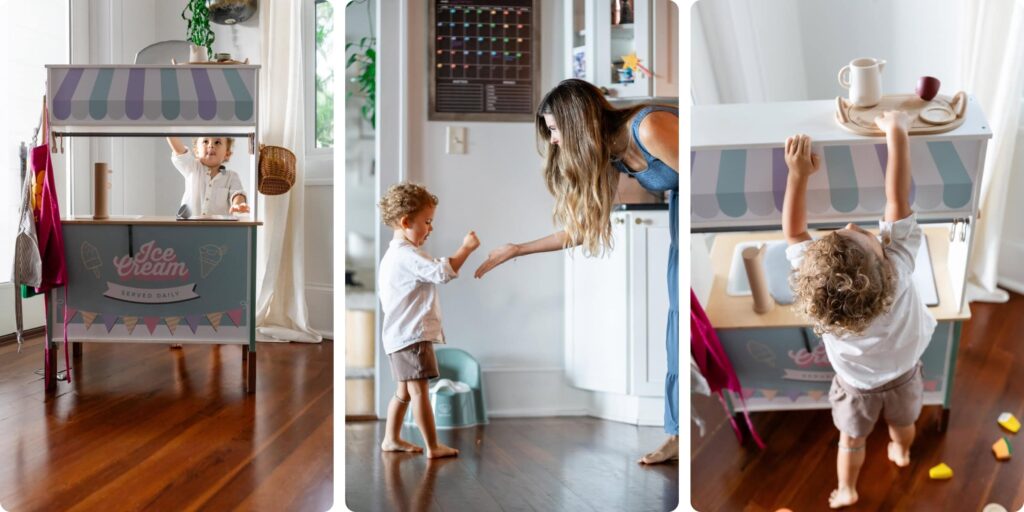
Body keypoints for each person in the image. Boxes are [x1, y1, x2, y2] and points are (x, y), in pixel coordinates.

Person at [473, 79, 679, 464]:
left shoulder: (646, 127)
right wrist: (518, 249)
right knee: (676, 332)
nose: (552, 140)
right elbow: (584, 228)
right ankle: (677, 434)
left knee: (686, 326)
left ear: (575, 121)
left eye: (553, 129)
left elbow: (705, 177)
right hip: (679, 220)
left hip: (694, 216)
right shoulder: (615, 152)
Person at [782, 112, 936, 509]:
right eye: (865, 234)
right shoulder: (898, 270)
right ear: (884, 262)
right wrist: (896, 131)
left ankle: (848, 488)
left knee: (850, 440)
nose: (853, 222)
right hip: (904, 377)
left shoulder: (822, 299)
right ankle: (901, 452)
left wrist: (798, 174)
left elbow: (795, 232)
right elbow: (896, 199)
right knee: (904, 425)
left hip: (855, 389)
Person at [378, 182, 480, 458]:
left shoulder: (393, 256)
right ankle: (433, 446)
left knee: (404, 392)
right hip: (412, 336)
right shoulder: (406, 255)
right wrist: (466, 249)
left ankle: (391, 439)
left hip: (398, 336)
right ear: (405, 221)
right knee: (420, 391)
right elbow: (441, 273)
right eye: (427, 221)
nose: (431, 228)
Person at [166, 136, 249, 217]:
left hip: (219, 228)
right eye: (205, 141)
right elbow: (179, 151)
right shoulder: (192, 167)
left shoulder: (231, 176)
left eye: (217, 142)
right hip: (190, 227)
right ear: (196, 151)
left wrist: (238, 204)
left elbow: (237, 194)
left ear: (227, 154)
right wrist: (169, 131)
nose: (211, 145)